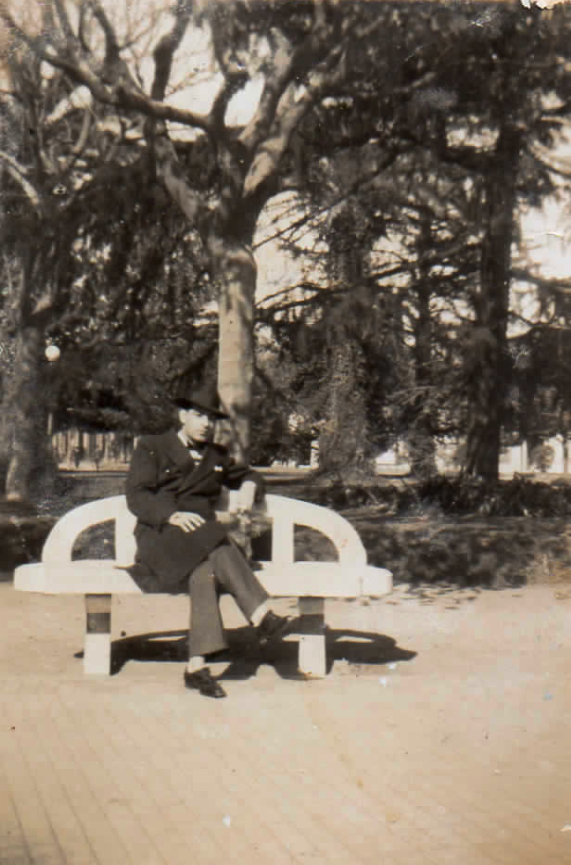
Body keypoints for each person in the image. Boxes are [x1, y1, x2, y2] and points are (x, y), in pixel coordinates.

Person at [126, 387, 290, 699]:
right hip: (162, 538)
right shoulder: (153, 446)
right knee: (214, 536)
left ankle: (197, 667)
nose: (206, 424)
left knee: (205, 573)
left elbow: (251, 475)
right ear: (182, 415)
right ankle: (260, 615)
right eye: (199, 415)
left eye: (211, 419)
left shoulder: (217, 455)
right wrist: (171, 515)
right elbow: (137, 495)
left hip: (201, 544)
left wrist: (249, 488)